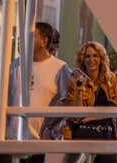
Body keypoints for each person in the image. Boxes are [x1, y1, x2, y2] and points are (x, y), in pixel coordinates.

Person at [7, 22, 71, 159]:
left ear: (44, 41)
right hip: (14, 140)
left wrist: (50, 125)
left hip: (42, 141)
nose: (24, 40)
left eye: (32, 36)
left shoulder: (60, 67)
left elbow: (69, 102)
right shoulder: (15, 64)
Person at [65, 42, 117, 163]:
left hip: (106, 133)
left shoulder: (110, 79)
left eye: (95, 56)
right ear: (82, 59)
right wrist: (79, 89)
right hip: (83, 132)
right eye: (87, 56)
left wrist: (89, 116)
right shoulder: (74, 80)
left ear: (101, 58)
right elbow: (76, 115)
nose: (91, 59)